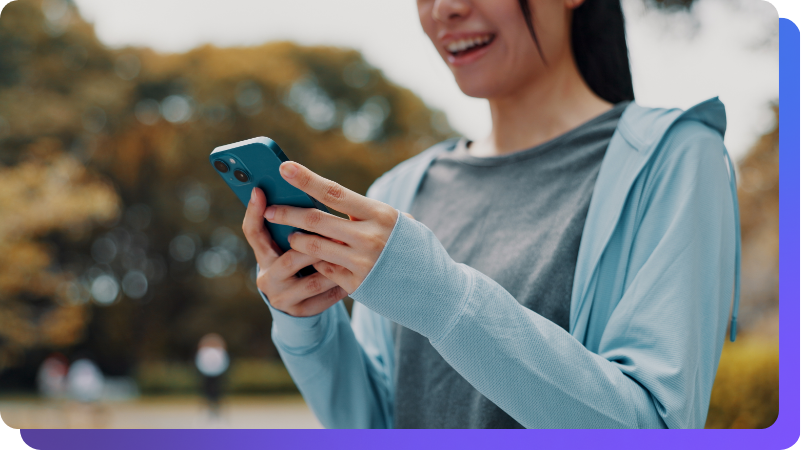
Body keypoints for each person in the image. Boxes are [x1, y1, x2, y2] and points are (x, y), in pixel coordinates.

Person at [240, 0, 740, 429]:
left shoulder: (673, 158)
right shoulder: (398, 191)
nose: (444, 10)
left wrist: (436, 294)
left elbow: (652, 428)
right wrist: (305, 324)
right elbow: (375, 423)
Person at [195, 333, 229, 418]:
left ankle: (216, 409)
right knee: (207, 392)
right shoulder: (205, 353)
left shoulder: (218, 353)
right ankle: (209, 409)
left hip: (216, 374)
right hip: (207, 374)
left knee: (216, 392)